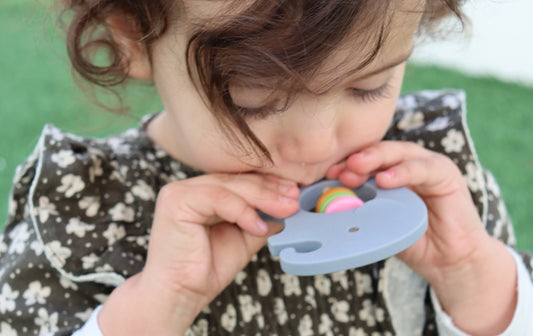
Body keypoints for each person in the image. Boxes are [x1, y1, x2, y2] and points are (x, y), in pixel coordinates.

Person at [0, 0, 532, 335]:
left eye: (368, 86)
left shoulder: (426, 180)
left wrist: (473, 278)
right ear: (133, 36)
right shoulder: (89, 212)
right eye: (252, 101)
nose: (315, 144)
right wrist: (152, 310)